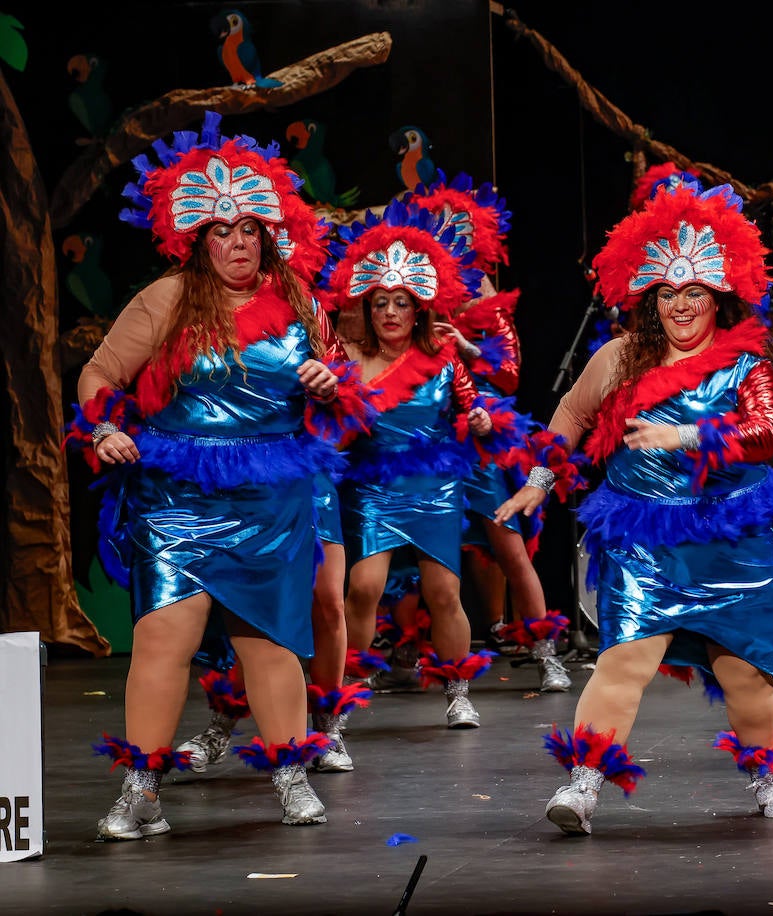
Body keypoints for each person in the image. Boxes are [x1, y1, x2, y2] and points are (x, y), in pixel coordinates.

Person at [496, 181, 773, 835]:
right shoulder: (621, 359)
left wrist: (686, 435)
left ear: (718, 296)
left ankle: (770, 774)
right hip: (648, 534)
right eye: (670, 294)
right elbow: (570, 412)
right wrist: (540, 477)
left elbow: (766, 437)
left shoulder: (745, 366)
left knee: (746, 675)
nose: (682, 306)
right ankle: (585, 781)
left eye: (695, 293)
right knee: (625, 657)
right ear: (652, 297)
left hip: (730, 535)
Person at [71, 112, 358, 837]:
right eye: (222, 233)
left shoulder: (301, 301)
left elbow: (345, 392)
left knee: (268, 637)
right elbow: (102, 372)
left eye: (249, 230)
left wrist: (330, 384)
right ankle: (143, 789)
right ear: (198, 239)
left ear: (267, 233)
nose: (237, 243)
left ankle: (291, 772)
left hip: (271, 493)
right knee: (163, 635)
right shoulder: (168, 299)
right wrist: (104, 427)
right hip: (178, 492)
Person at [324, 201, 496, 729]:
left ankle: (458, 689)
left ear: (418, 308)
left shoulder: (442, 354)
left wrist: (482, 420)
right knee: (363, 589)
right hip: (374, 485)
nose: (392, 312)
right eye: (381, 303)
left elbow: (473, 407)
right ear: (368, 309)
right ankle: (348, 687)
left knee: (444, 591)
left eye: (401, 302)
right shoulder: (349, 358)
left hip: (434, 484)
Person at [408, 173, 572, 693]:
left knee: (509, 546)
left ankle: (547, 653)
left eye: (458, 233)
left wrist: (468, 348)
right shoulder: (413, 293)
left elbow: (510, 376)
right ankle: (416, 653)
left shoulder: (486, 297)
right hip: (428, 436)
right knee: (415, 550)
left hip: (482, 439)